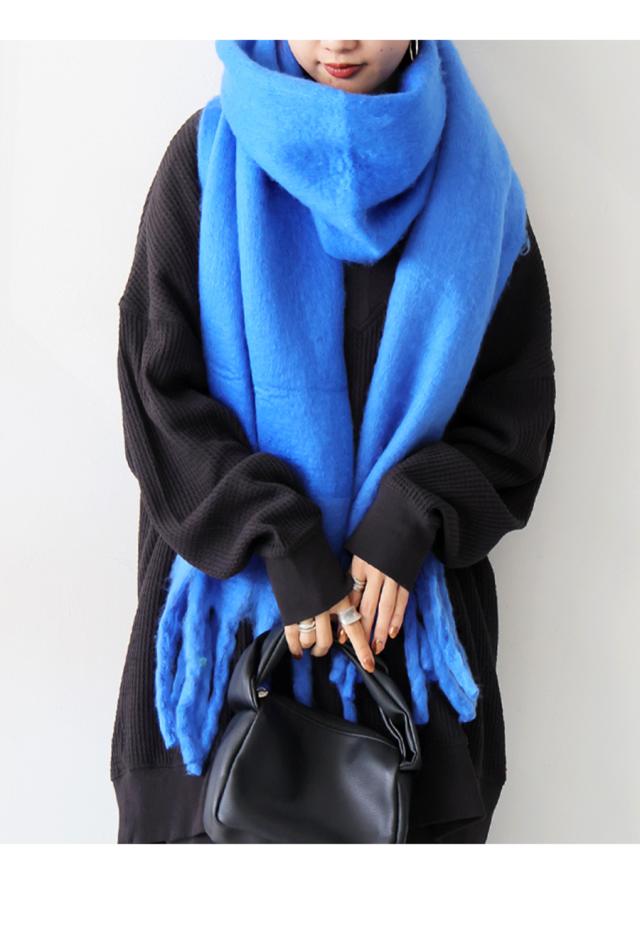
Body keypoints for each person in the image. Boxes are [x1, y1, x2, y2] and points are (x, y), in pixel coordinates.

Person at [112, 39, 556, 843]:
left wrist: (413, 512)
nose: (339, 37)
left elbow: (514, 413)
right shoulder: (207, 159)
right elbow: (157, 394)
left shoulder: (481, 187)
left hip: (409, 680)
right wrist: (279, 537)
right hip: (216, 688)